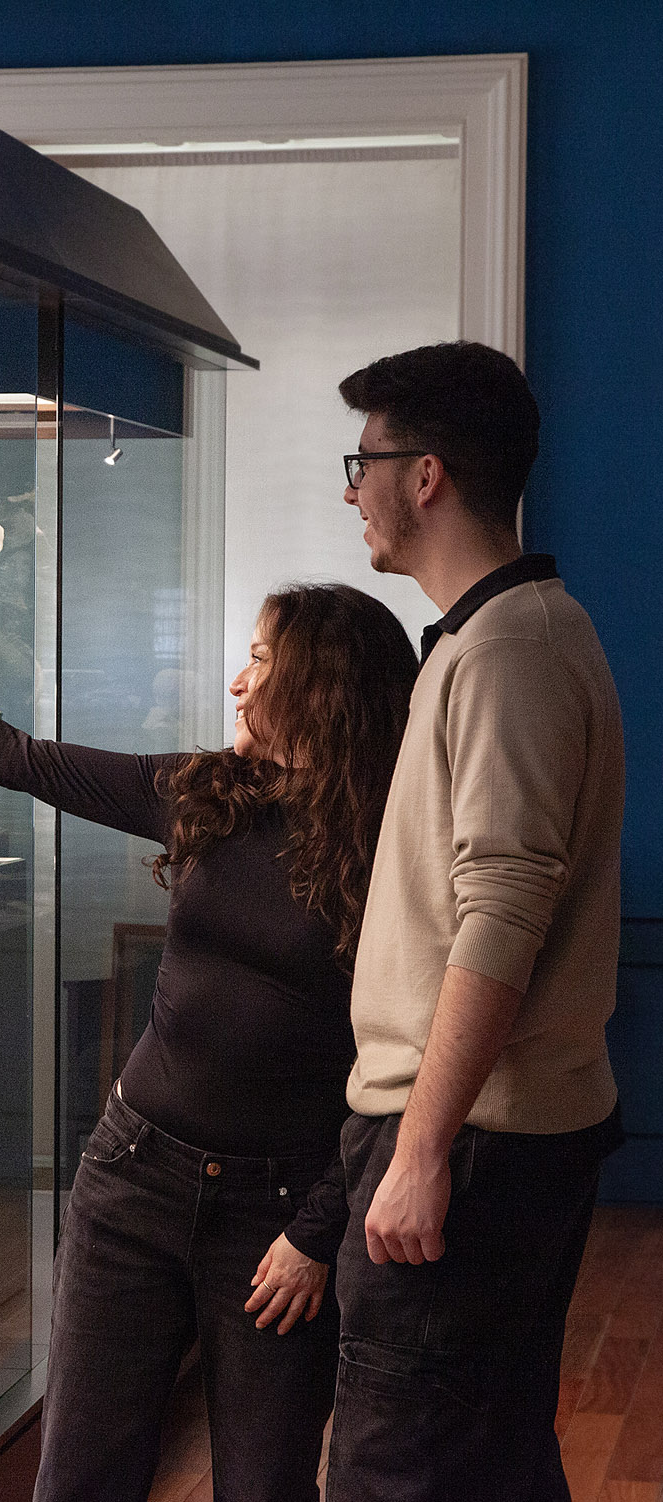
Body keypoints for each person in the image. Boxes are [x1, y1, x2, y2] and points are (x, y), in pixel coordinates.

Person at [0, 583, 419, 1502]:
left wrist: (315, 1232)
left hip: (278, 1221)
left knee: (266, 1484)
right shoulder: (208, 793)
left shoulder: (388, 847)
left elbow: (392, 1065)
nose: (237, 684)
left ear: (321, 687)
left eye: (260, 662)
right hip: (134, 1178)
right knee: (81, 1479)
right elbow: (26, 760)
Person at [330, 340, 625, 1501]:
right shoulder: (497, 637)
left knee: (399, 1468)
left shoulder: (510, 650)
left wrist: (419, 1150)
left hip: (469, 1138)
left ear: (426, 475)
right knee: (486, 1458)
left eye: (363, 462)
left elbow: (503, 911)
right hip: (482, 1135)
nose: (352, 488)